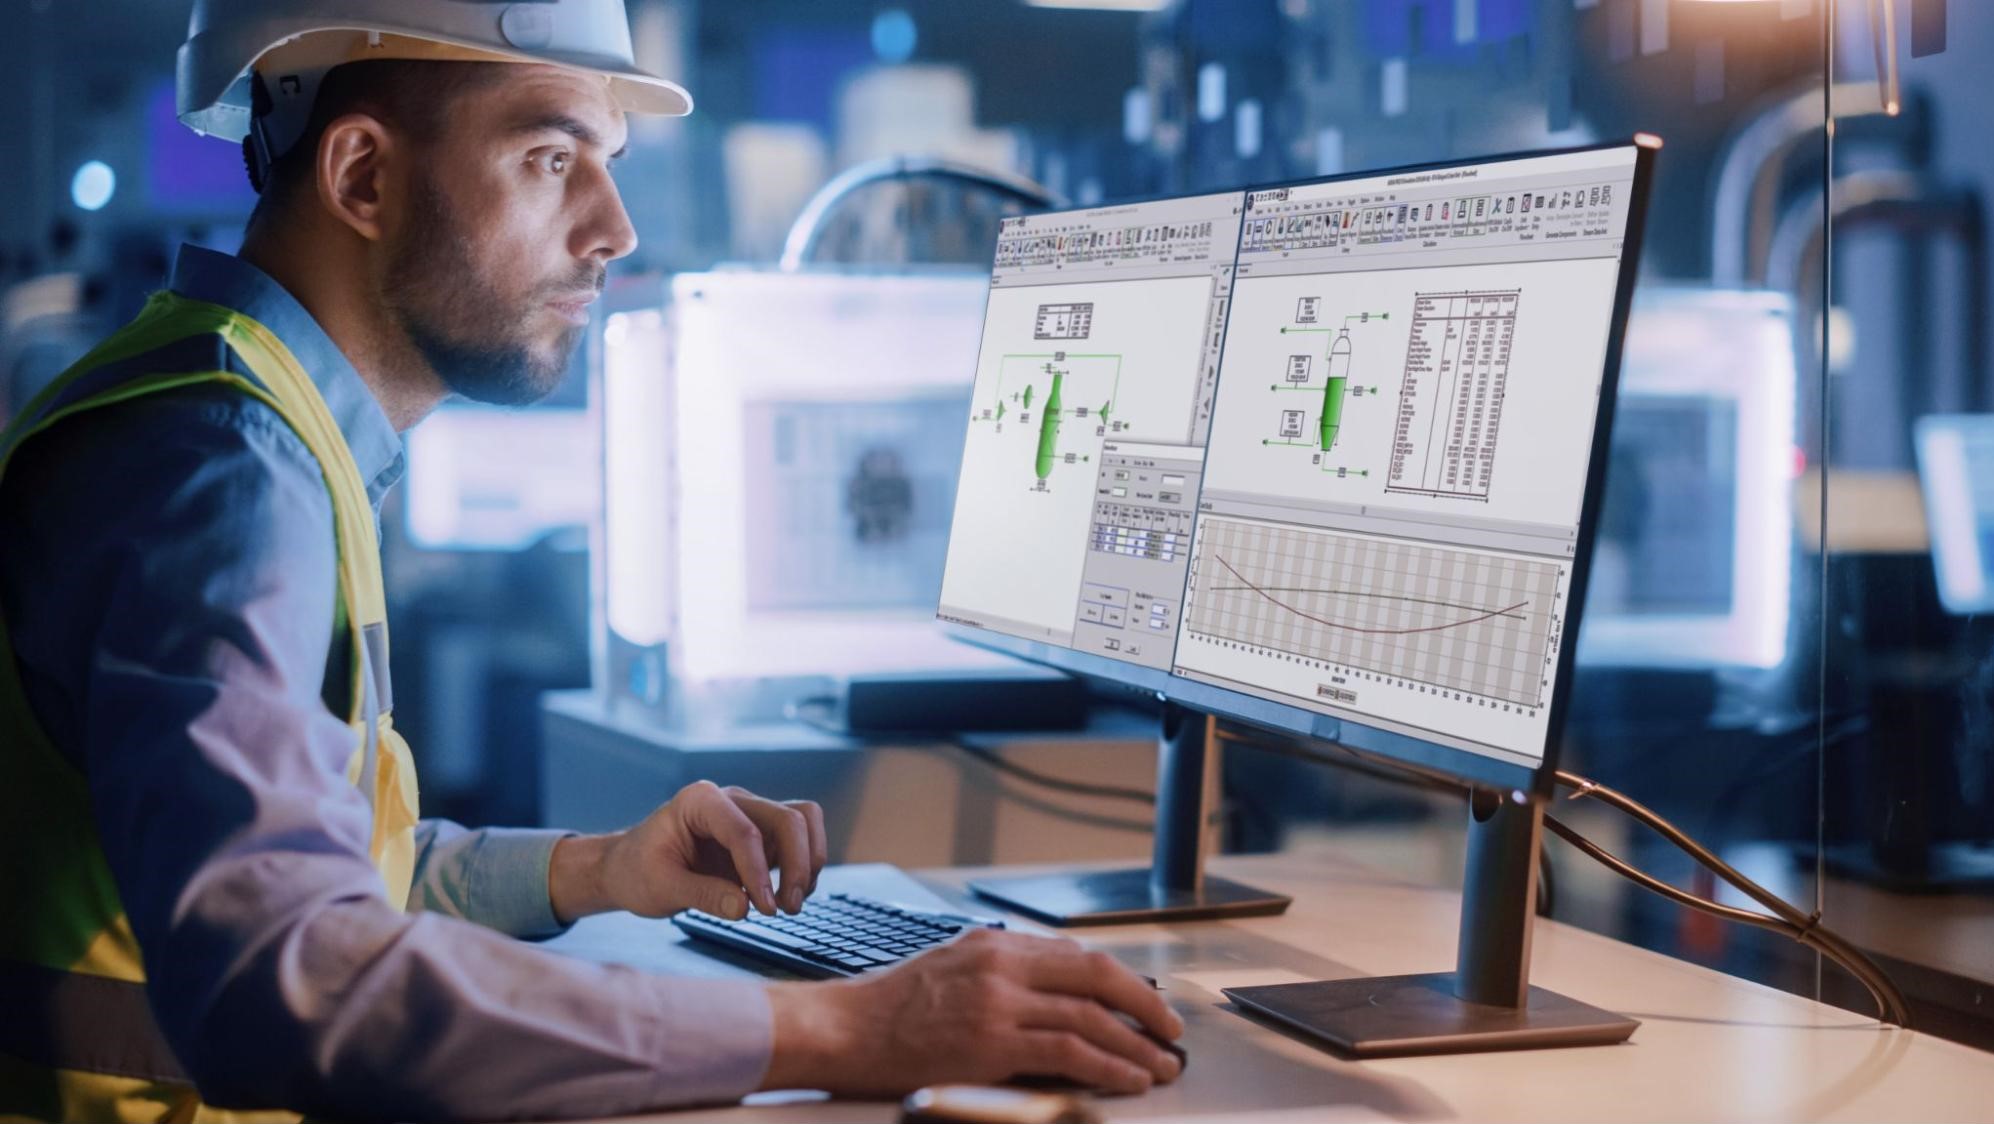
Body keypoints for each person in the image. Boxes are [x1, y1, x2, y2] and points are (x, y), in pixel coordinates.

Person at [0, 2, 1182, 1120]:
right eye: (551, 157)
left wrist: (595, 869)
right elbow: (283, 973)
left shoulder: (251, 419)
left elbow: (314, 870)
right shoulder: (222, 466)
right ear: (362, 175)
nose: (615, 226)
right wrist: (839, 1030)